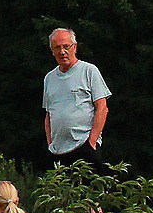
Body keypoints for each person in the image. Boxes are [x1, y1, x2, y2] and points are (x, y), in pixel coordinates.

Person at [43, 27, 109, 165]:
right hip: (58, 152)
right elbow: (49, 115)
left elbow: (102, 108)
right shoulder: (49, 78)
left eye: (66, 46)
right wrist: (50, 144)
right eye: (57, 48)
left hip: (84, 147)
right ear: (52, 51)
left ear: (75, 47)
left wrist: (92, 141)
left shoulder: (89, 71)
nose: (62, 52)